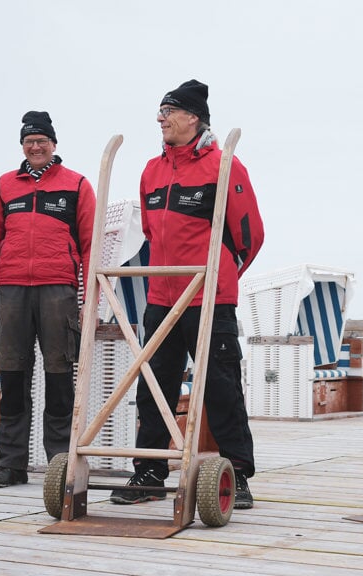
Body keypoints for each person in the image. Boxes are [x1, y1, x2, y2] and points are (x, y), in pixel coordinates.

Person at [110, 79, 264, 509]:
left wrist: (219, 279)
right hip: (161, 297)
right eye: (160, 111)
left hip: (210, 298)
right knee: (154, 385)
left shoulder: (224, 165)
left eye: (169, 111)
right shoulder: (151, 170)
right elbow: (150, 235)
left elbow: (250, 236)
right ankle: (150, 472)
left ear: (193, 117)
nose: (160, 118)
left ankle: (237, 472)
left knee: (220, 386)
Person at [0, 111, 96, 488]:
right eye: (29, 141)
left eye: (42, 140)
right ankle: (11, 465)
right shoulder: (3, 186)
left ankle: (61, 465)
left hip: (59, 291)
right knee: (12, 377)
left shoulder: (76, 185)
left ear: (54, 144)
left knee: (60, 379)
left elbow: (91, 246)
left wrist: (88, 298)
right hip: (10, 292)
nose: (36, 146)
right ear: (22, 147)